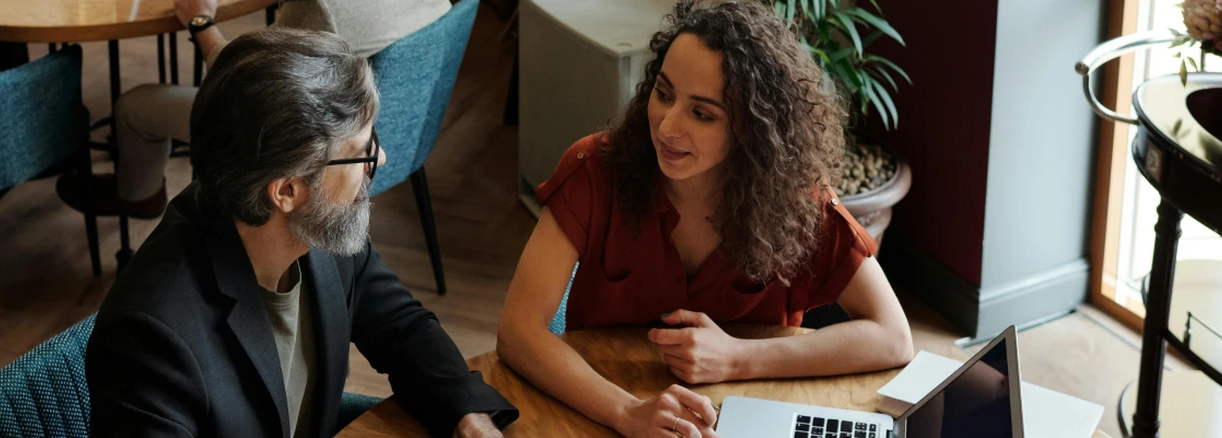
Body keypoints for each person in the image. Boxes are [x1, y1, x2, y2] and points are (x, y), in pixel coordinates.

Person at [495, 1, 914, 437]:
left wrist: (736, 356)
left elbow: (893, 336)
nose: (667, 127)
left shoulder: (799, 202)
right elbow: (518, 331)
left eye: (702, 113)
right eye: (664, 93)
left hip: (748, 415)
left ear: (753, 128)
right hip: (601, 409)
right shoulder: (595, 169)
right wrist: (626, 413)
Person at [84, 27, 516, 438]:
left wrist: (468, 416)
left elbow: (401, 327)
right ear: (287, 191)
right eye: (362, 151)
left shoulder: (318, 226)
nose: (380, 160)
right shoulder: (150, 342)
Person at [56, 0, 452, 218]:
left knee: (134, 105)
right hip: (394, 130)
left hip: (310, 149)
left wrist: (200, 22)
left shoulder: (319, 6)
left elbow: (254, 88)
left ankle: (137, 194)